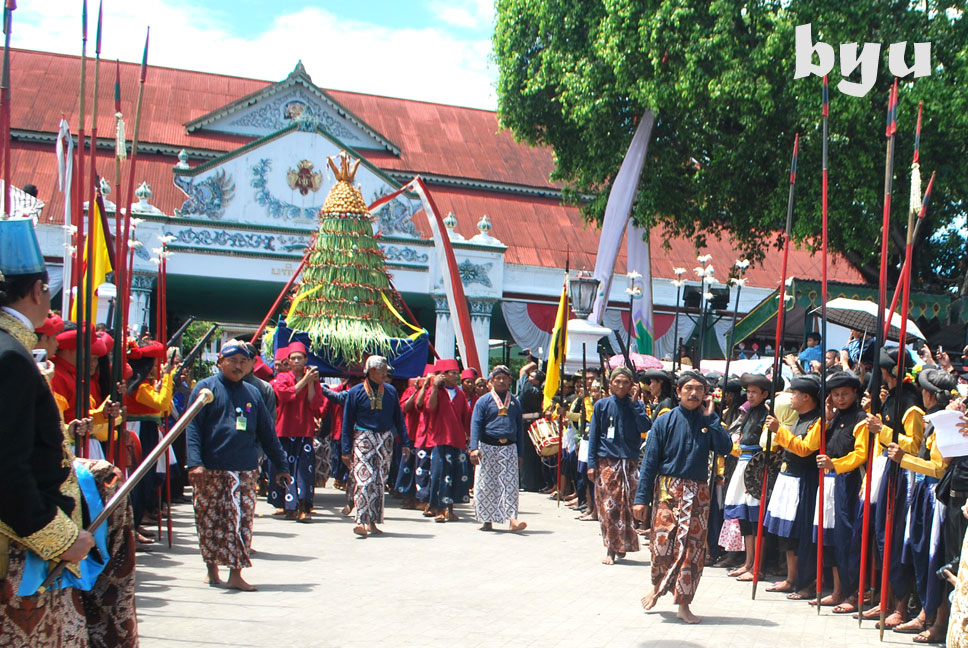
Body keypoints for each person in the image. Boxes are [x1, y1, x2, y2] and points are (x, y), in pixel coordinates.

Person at [0, 217, 138, 646]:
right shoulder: (12, 359)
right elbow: (6, 468)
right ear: (40, 290)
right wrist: (61, 538)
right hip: (21, 550)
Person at [185, 340, 291, 591]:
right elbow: (192, 429)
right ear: (220, 361)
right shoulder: (205, 389)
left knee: (241, 519)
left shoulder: (253, 393)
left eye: (244, 361)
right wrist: (195, 463)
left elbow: (267, 433)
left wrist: (281, 465)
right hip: (210, 468)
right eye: (232, 360)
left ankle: (236, 573)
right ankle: (211, 568)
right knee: (208, 519)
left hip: (244, 468)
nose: (238, 365)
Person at [635, 370, 732, 624]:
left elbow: (725, 448)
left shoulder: (709, 420)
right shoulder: (665, 421)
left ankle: (684, 603)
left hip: (698, 494)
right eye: (688, 388)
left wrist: (712, 419)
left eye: (699, 389)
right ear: (678, 391)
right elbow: (649, 463)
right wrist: (640, 499)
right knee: (661, 545)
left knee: (692, 551)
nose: (693, 393)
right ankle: (657, 586)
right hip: (668, 490)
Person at [762, 374, 822, 598]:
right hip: (789, 477)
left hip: (805, 481)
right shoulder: (799, 418)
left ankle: (805, 582)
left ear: (806, 397)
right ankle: (791, 577)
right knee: (787, 533)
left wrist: (780, 430)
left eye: (794, 394)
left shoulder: (818, 420)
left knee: (802, 534)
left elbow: (805, 448)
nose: (791, 399)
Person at [341, 355, 411, 537]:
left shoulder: (390, 391)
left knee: (379, 481)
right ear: (371, 370)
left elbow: (399, 418)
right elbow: (347, 421)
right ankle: (361, 521)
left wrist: (405, 442)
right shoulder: (355, 392)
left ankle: (373, 521)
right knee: (364, 480)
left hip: (385, 439)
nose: (385, 373)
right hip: (363, 437)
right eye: (382, 370)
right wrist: (346, 449)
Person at [587, 366, 651, 565]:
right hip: (607, 461)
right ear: (611, 384)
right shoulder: (602, 405)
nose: (621, 385)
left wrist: (635, 404)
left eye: (626, 382)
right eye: (617, 382)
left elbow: (645, 427)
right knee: (609, 507)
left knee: (628, 506)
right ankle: (610, 548)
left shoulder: (637, 405)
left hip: (629, 462)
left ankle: (623, 543)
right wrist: (591, 464)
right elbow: (594, 436)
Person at [722, 373, 771, 581]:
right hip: (743, 463)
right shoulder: (749, 412)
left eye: (754, 392)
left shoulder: (768, 414)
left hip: (756, 465)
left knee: (755, 517)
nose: (750, 396)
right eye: (748, 392)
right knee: (744, 517)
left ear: (765, 394)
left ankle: (757, 564)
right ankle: (748, 561)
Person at [468, 365, 527, 532]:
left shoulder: (515, 402)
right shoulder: (483, 401)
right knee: (486, 485)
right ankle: (487, 520)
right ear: (491, 381)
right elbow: (476, 424)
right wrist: (474, 448)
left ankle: (512, 520)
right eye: (498, 378)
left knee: (510, 485)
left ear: (510, 381)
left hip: (509, 448)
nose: (501, 380)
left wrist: (520, 453)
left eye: (505, 378)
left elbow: (519, 429)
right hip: (487, 447)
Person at [268, 341, 322, 522]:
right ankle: (287, 506)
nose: (297, 361)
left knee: (304, 470)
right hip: (284, 430)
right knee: (285, 468)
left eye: (300, 358)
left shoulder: (312, 379)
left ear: (306, 359)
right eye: (293, 358)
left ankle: (304, 506)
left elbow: (314, 404)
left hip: (304, 430)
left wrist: (311, 383)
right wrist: (305, 381)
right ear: (288, 362)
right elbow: (286, 396)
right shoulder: (282, 378)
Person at [423, 358, 471, 522]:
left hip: (457, 439)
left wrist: (468, 435)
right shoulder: (435, 390)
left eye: (457, 373)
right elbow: (430, 407)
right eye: (453, 373)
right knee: (438, 474)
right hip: (440, 438)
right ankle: (437, 508)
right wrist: (435, 387)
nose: (456, 376)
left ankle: (450, 509)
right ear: (443, 375)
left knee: (455, 474)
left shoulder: (460, 394)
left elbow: (466, 417)